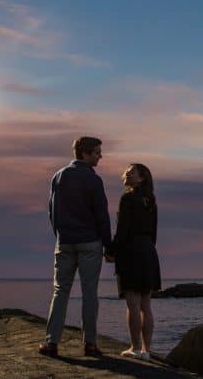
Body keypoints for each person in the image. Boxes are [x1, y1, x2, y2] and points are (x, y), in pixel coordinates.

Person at [39, 136, 113, 358]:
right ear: (85, 153)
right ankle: (90, 344)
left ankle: (51, 343)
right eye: (97, 152)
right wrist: (108, 246)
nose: (100, 156)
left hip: (65, 242)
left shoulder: (59, 176)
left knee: (60, 291)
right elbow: (102, 215)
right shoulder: (94, 180)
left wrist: (60, 235)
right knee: (90, 293)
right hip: (90, 242)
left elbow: (51, 210)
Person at [111, 163, 161, 360]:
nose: (126, 174)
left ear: (141, 178)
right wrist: (148, 249)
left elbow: (122, 230)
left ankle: (135, 347)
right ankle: (146, 351)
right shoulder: (151, 201)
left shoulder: (127, 199)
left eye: (132, 173)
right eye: (127, 171)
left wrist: (112, 251)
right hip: (148, 251)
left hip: (131, 251)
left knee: (133, 305)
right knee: (146, 305)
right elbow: (154, 232)